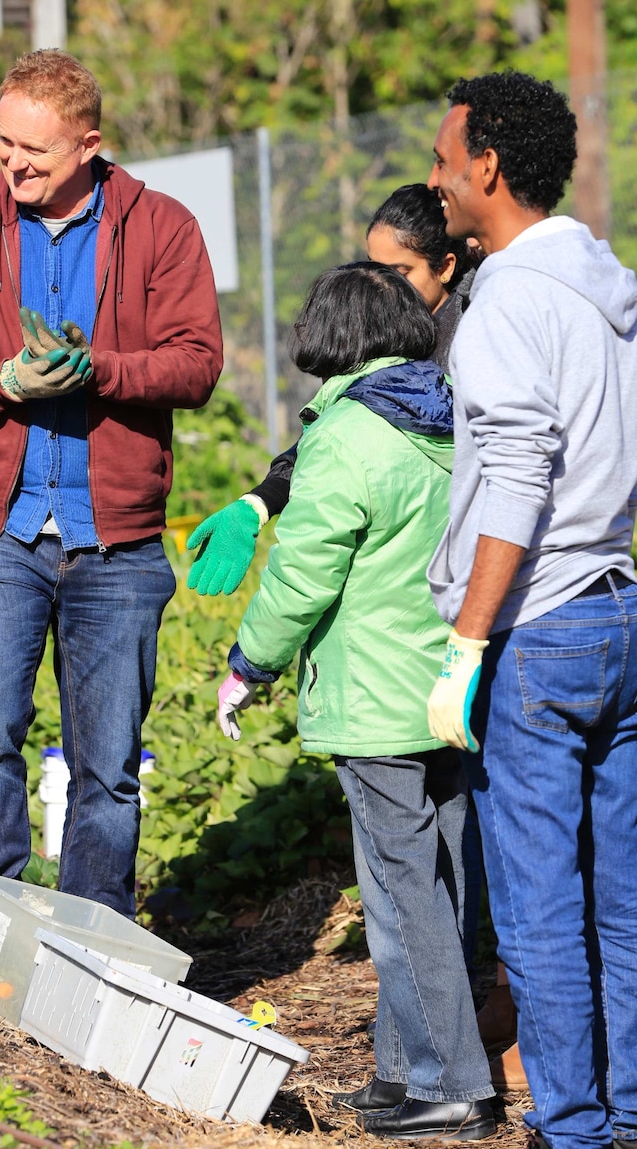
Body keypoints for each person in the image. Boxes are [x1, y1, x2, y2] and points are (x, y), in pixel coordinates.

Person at [0, 49, 223, 921]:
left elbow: (198, 363)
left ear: (89, 144)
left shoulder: (162, 228)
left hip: (115, 537)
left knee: (108, 769)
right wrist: (1, 381)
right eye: (4, 145)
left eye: (34, 151)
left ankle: (92, 943)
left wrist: (98, 372)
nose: (14, 165)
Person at [216, 261, 496, 1141]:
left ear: (331, 337)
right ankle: (400, 1067)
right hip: (450, 688)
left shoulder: (343, 436)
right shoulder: (454, 418)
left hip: (373, 700)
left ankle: (451, 1084)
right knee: (438, 885)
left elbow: (302, 575)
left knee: (398, 893)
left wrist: (248, 663)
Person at [425, 71, 637, 1149]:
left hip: (539, 628)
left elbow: (512, 477)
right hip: (615, 608)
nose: (434, 179)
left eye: (441, 157)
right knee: (620, 896)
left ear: (487, 168)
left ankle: (574, 1129)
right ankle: (627, 1114)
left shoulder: (508, 299)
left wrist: (465, 644)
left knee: (540, 907)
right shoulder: (607, 285)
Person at [185, 183, 479, 597]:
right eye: (375, 269)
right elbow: (333, 429)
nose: (383, 286)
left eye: (400, 273)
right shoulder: (383, 333)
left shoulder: (472, 335)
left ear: (446, 267)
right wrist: (259, 502)